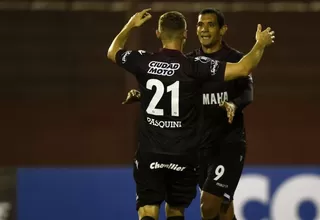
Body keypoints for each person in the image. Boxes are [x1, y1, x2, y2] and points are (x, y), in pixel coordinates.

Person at [107, 9, 274, 220]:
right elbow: (243, 68)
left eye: (210, 24)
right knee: (185, 209)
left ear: (158, 33)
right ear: (186, 34)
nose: (204, 29)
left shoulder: (145, 61)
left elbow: (113, 52)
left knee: (165, 208)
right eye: (199, 25)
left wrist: (130, 25)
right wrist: (260, 44)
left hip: (184, 148)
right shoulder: (193, 65)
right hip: (188, 151)